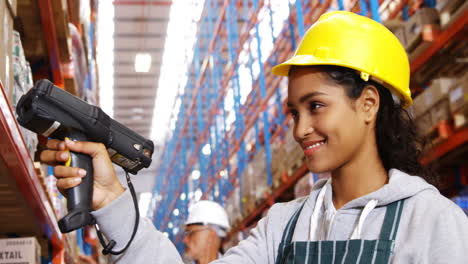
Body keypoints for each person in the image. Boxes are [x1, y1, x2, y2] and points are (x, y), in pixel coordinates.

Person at [40, 11, 468, 263]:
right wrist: (112, 198)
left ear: (368, 104)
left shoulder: (432, 222)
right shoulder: (284, 225)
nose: (300, 130)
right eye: (293, 112)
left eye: (316, 107)